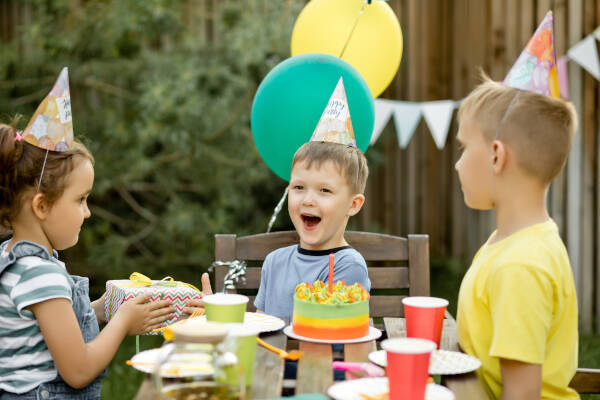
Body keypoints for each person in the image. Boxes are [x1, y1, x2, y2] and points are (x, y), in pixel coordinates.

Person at [0, 69, 174, 400]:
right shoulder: (41, 275)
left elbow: (48, 332)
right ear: (41, 206)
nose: (87, 211)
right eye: (80, 199)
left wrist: (100, 310)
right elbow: (78, 371)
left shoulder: (13, 260)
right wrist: (121, 323)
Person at [454, 70, 579, 399]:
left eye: (464, 148)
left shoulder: (519, 266)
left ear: (496, 155)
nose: (458, 164)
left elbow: (521, 395)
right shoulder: (514, 242)